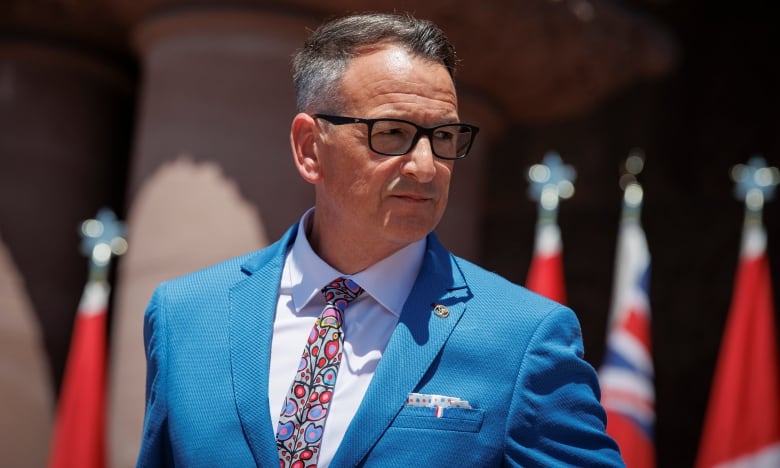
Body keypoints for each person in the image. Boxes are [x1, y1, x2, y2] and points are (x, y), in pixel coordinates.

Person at [137, 12, 624, 467]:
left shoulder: (523, 337)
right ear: (310, 149)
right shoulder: (186, 316)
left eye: (445, 138)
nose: (426, 166)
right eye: (391, 133)